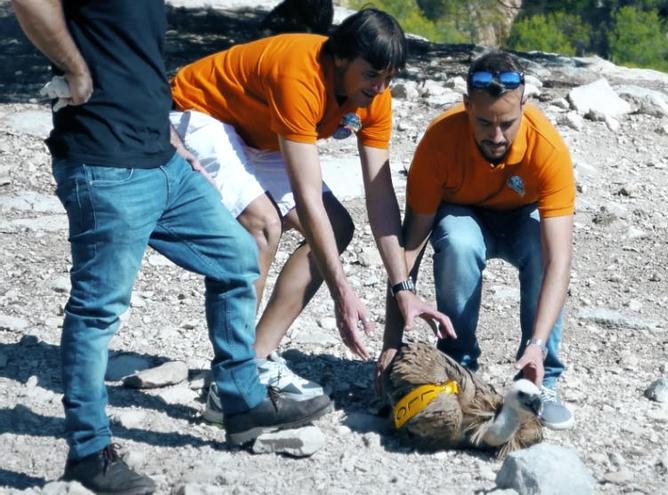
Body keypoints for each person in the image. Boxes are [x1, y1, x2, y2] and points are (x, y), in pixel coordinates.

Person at [11, 1, 331, 493]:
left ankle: (241, 401)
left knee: (238, 258)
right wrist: (75, 69)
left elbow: (134, 57)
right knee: (98, 311)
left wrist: (173, 141)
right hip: (105, 162)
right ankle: (89, 453)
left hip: (163, 158)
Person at [168, 8, 454, 420]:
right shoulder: (299, 73)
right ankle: (231, 382)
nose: (380, 87)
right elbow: (306, 196)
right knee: (263, 223)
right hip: (202, 113)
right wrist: (341, 290)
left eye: (389, 78)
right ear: (340, 58)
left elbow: (379, 193)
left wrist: (402, 285)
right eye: (373, 74)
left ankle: (255, 357)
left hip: (260, 132)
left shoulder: (375, 96)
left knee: (337, 227)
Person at [376, 51, 576, 430]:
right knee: (456, 240)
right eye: (484, 122)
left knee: (540, 246)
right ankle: (457, 365)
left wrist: (537, 342)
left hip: (522, 219)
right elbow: (411, 246)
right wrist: (391, 342)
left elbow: (558, 262)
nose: (496, 136)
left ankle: (540, 377)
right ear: (466, 105)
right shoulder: (439, 141)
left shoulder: (547, 149)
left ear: (524, 105)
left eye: (508, 123)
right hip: (464, 217)